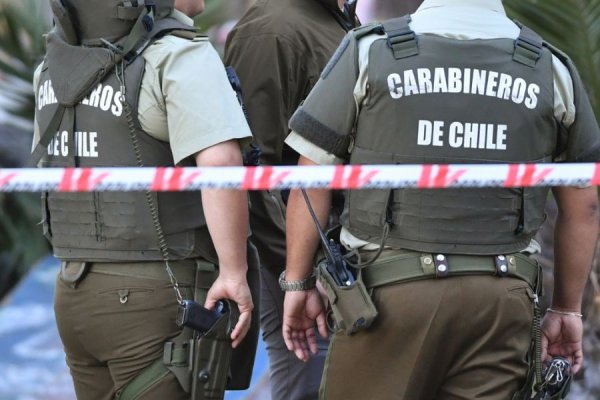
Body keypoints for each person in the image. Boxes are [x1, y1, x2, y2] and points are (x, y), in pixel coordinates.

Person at [280, 0, 600, 399]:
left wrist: (298, 282)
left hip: (386, 302)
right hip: (500, 303)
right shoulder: (550, 68)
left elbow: (311, 179)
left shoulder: (370, 51)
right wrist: (567, 309)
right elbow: (584, 204)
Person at [31, 0, 259, 398]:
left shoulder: (51, 68)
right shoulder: (178, 55)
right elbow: (221, 165)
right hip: (157, 299)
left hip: (72, 292)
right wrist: (233, 272)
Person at [223, 1, 358, 399]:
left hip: (336, 257)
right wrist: (300, 270)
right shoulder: (271, 30)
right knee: (310, 386)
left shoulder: (331, 18)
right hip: (301, 262)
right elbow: (252, 174)